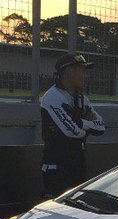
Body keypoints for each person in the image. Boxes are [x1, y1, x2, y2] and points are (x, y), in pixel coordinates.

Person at [40, 52, 105, 197]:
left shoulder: (82, 99)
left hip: (78, 167)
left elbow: (101, 126)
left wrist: (80, 122)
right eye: (82, 71)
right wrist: (86, 125)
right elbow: (72, 131)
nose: (85, 75)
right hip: (56, 170)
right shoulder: (51, 97)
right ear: (69, 71)